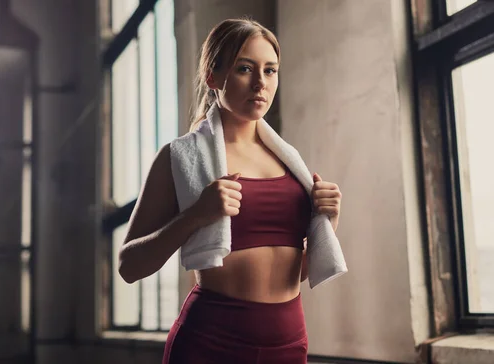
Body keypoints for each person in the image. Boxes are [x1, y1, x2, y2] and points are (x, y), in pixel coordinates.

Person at [118, 18, 343, 364]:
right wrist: (196, 215)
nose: (260, 83)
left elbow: (291, 272)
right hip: (211, 342)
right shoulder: (180, 158)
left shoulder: (290, 164)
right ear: (213, 76)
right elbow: (129, 266)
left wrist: (330, 221)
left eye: (270, 71)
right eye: (245, 69)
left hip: (287, 342)